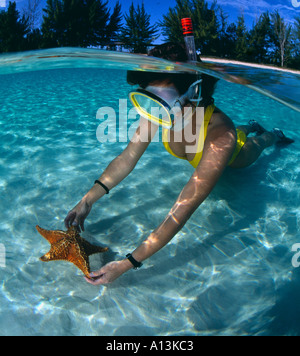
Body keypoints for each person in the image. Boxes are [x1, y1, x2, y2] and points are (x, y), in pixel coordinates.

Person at [65, 45, 294, 286]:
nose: (154, 110)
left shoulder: (221, 135)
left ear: (193, 92)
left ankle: (272, 135)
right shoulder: (163, 110)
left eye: (162, 100)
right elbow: (127, 157)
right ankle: (249, 125)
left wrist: (127, 263)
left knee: (255, 145)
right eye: (148, 97)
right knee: (242, 130)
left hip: (235, 155)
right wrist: (87, 200)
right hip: (209, 128)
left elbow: (184, 207)